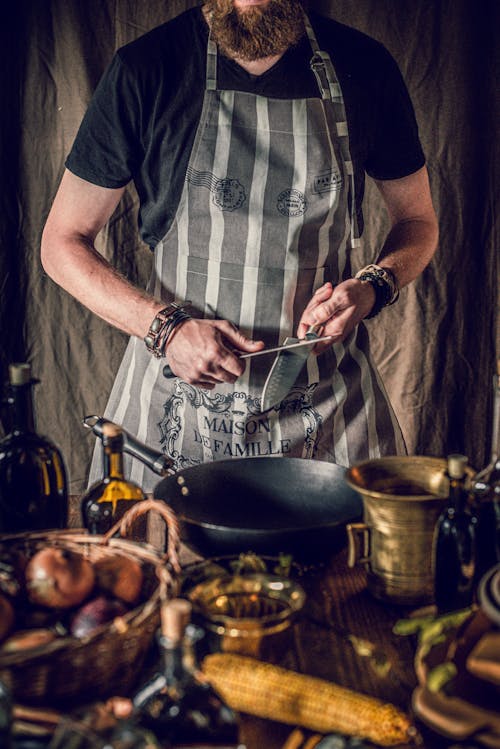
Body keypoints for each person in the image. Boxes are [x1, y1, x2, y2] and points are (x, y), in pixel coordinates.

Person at [41, 0, 438, 492]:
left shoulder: (364, 66)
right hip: (176, 411)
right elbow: (62, 242)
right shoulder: (147, 68)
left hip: (329, 415)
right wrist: (165, 328)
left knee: (347, 569)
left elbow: (418, 221)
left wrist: (374, 285)